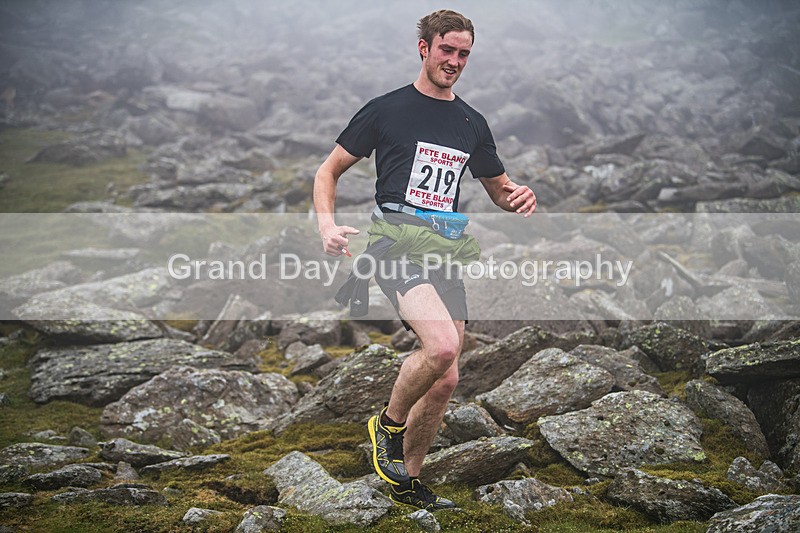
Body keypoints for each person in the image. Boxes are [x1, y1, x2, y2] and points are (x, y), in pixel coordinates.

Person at [313, 9, 536, 511]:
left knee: (449, 374)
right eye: (446, 50)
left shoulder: (471, 123)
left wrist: (517, 196)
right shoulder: (386, 110)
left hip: (444, 250)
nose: (454, 61)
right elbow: (327, 172)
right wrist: (327, 226)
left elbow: (498, 189)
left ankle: (405, 481)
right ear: (424, 48)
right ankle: (386, 427)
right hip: (394, 244)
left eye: (463, 54)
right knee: (438, 347)